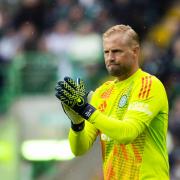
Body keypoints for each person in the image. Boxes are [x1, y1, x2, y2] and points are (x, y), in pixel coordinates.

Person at [55, 24, 169, 179]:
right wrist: (77, 123)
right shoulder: (102, 92)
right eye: (106, 52)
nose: (110, 58)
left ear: (135, 52)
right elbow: (79, 149)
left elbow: (127, 133)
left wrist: (86, 111)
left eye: (116, 51)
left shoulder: (148, 84)